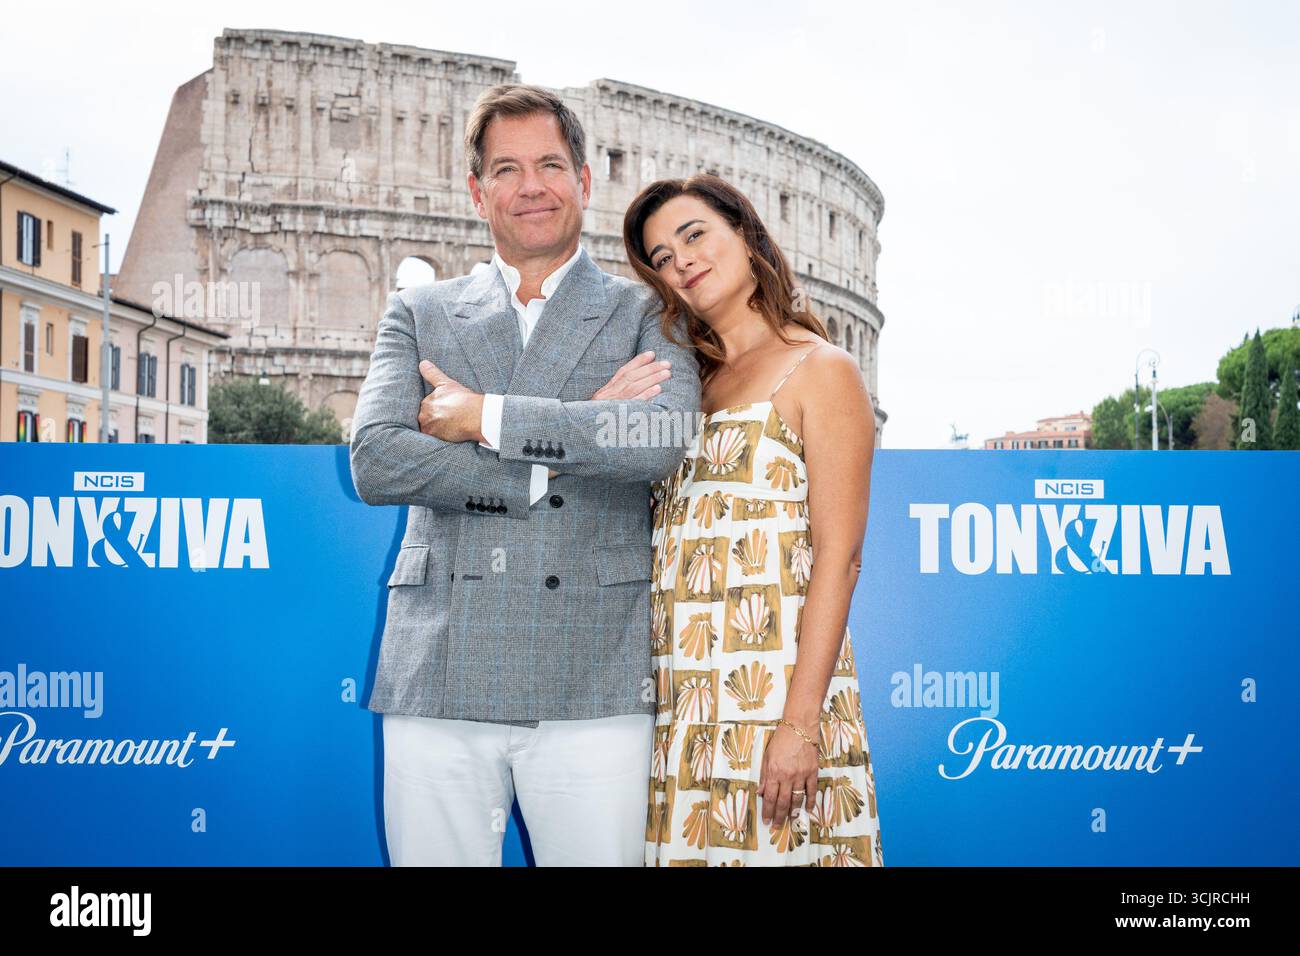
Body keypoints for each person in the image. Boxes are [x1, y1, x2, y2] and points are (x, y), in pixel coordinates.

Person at [349, 84, 701, 866]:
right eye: (506, 169)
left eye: (549, 163)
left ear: (584, 178)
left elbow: (660, 438)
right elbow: (377, 459)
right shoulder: (419, 310)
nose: (530, 186)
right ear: (477, 191)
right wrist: (561, 449)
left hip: (595, 670)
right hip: (440, 662)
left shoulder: (649, 311)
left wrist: (483, 417)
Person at [623, 174, 884, 866]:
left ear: (745, 233)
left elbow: (840, 556)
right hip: (682, 708)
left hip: (774, 697)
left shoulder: (820, 368)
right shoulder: (680, 387)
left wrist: (798, 725)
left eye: (693, 234)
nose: (679, 261)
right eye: (659, 257)